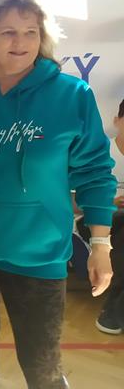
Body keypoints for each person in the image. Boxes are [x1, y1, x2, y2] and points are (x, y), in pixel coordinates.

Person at [0, 0, 116, 388]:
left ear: (42, 38)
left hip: (40, 252)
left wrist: (101, 244)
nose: (19, 42)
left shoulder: (72, 95)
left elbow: (95, 171)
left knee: (42, 366)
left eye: (30, 32)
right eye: (7, 32)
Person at [95, 98, 124, 335]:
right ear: (117, 121)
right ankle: (113, 312)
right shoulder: (99, 152)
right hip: (98, 222)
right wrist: (112, 204)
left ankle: (116, 310)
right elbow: (74, 201)